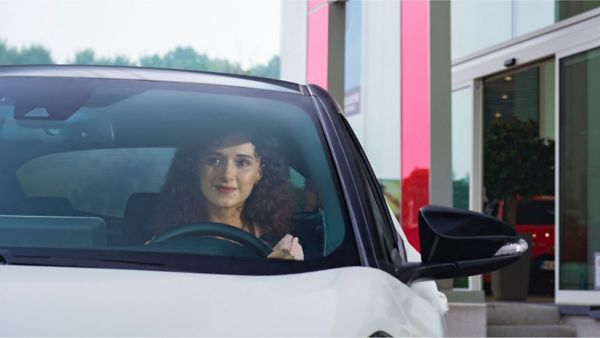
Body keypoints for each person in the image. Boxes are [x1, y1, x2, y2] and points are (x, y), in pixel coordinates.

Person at [154, 129, 304, 260]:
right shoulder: (163, 245)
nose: (227, 174)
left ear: (259, 173)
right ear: (195, 168)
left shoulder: (283, 248)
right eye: (214, 160)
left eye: (242, 163)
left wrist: (282, 272)